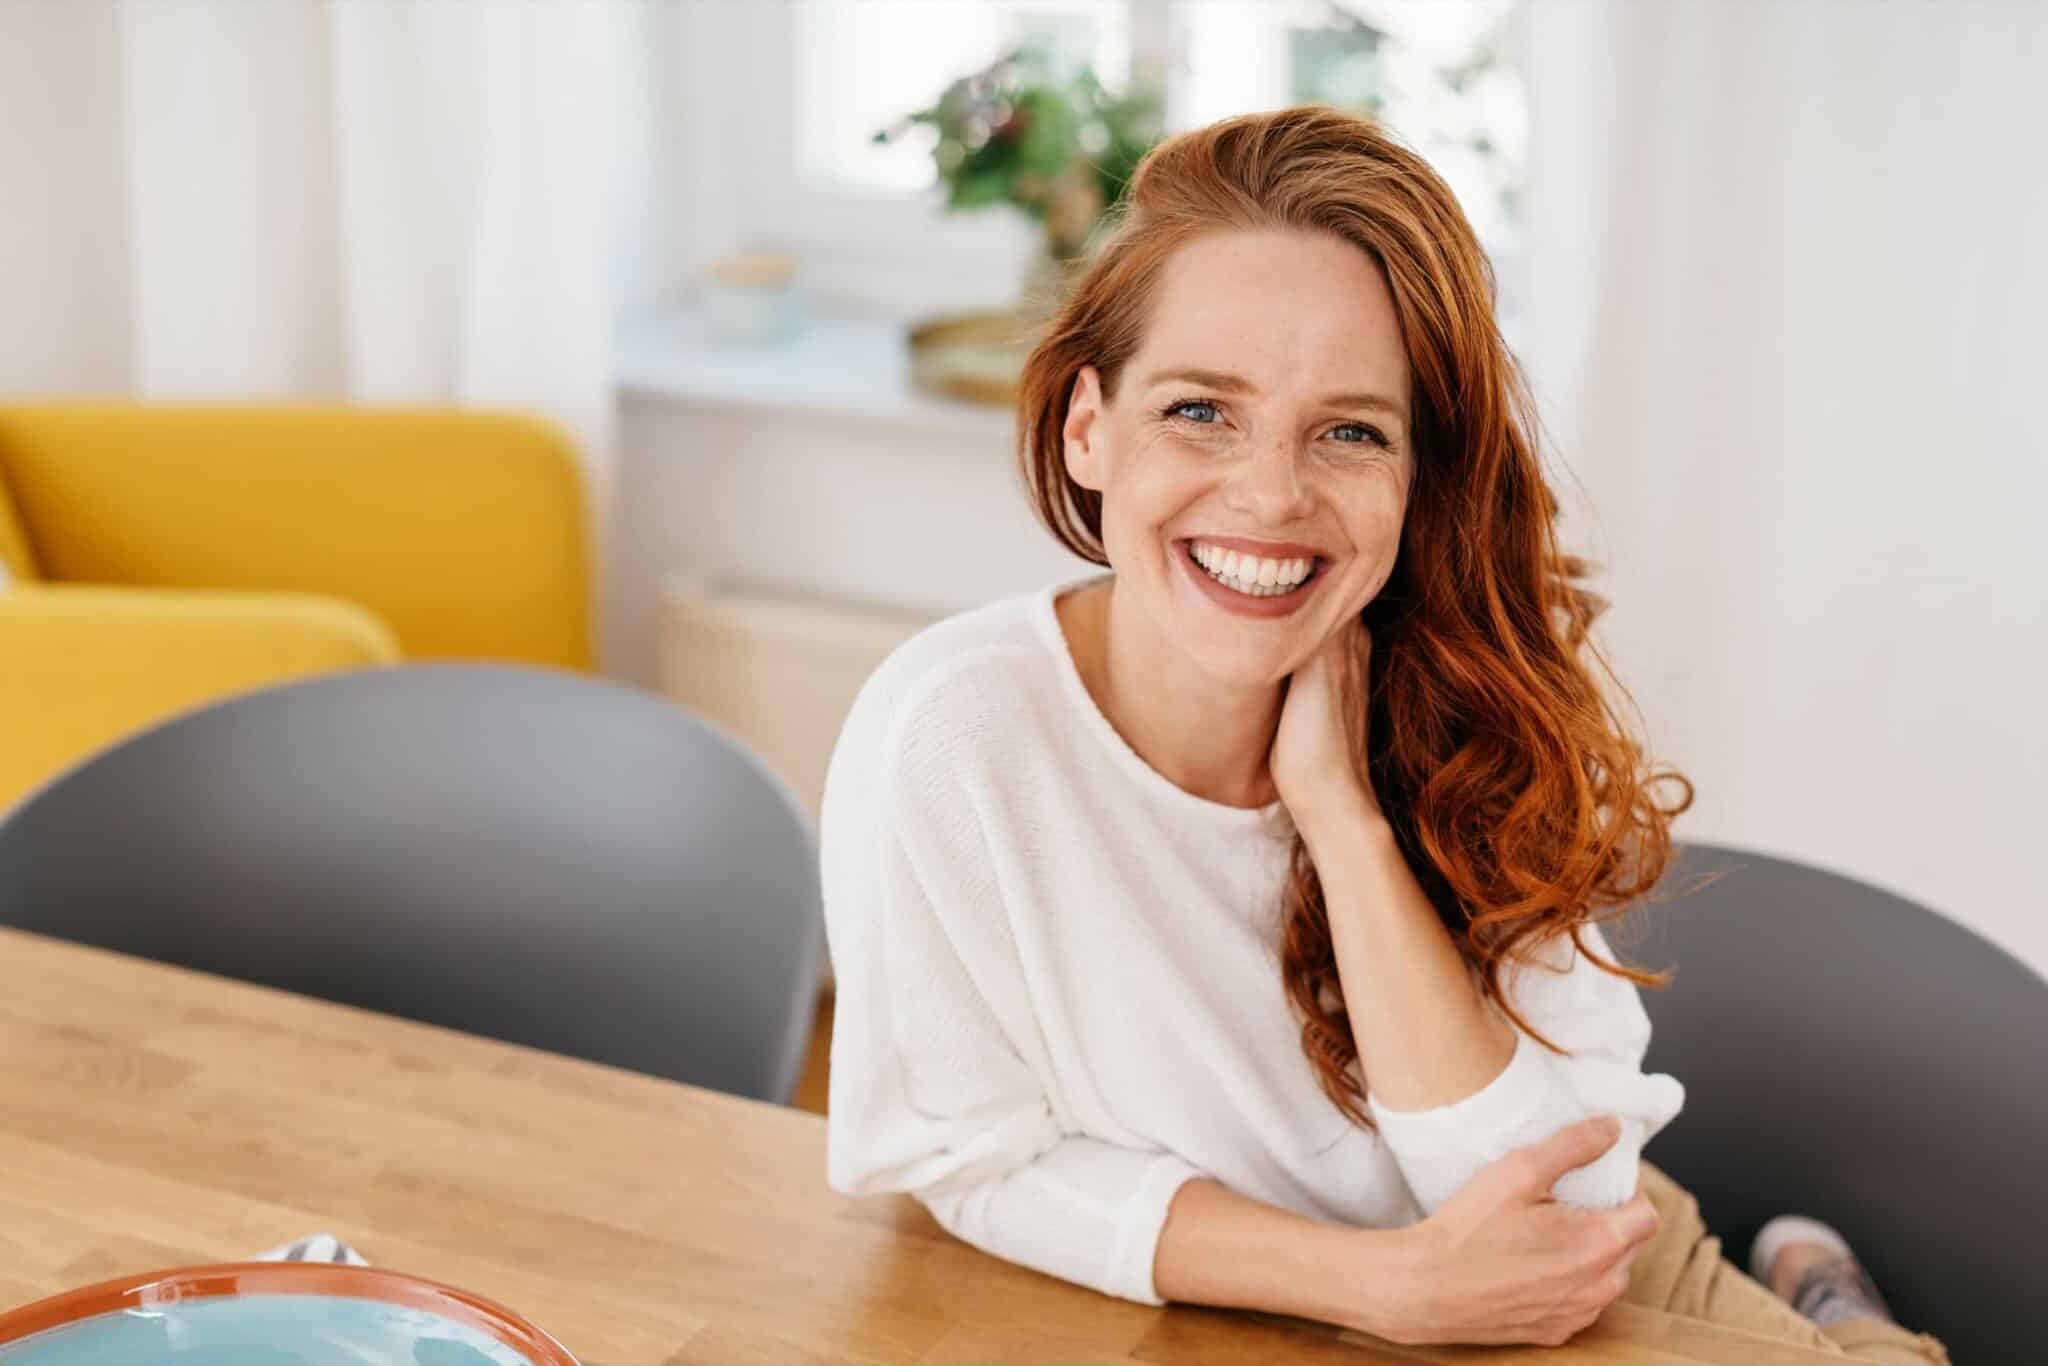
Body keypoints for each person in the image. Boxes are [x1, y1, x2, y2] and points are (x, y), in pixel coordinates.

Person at [818, 105, 1949, 1363]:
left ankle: (1831, 1302)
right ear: (1089, 426)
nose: (1269, 493)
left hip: (1582, 1292)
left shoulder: (1475, 699)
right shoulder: (951, 736)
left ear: (1417, 477)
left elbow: (1562, 1204)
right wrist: (1381, 1286)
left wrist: (1340, 821)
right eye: (1200, 409)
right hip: (1266, 1313)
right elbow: (964, 1153)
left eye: (1349, 430)